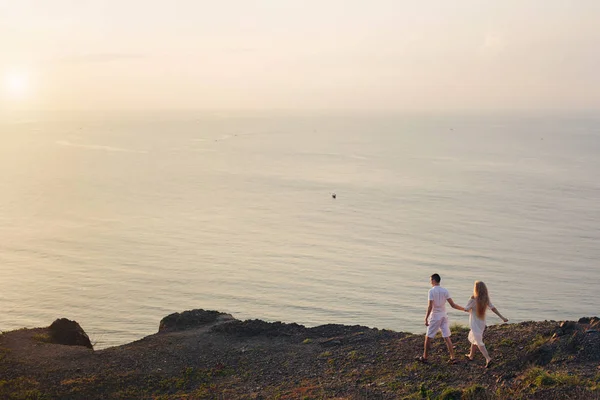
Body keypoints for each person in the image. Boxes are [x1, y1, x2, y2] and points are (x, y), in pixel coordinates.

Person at [417, 273, 465, 364]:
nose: (430, 282)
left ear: (434, 280)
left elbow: (430, 306)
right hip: (444, 316)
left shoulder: (431, 291)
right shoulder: (445, 291)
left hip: (435, 316)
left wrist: (426, 318)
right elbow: (453, 305)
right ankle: (453, 357)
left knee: (428, 337)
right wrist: (464, 309)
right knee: (447, 337)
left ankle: (425, 357)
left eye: (431, 280)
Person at [464, 281, 509, 368]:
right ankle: (471, 355)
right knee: (475, 337)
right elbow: (493, 308)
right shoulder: (485, 299)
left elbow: (466, 309)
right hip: (481, 323)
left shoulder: (473, 299)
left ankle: (488, 358)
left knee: (478, 341)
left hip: (474, 322)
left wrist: (456, 306)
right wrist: (502, 317)